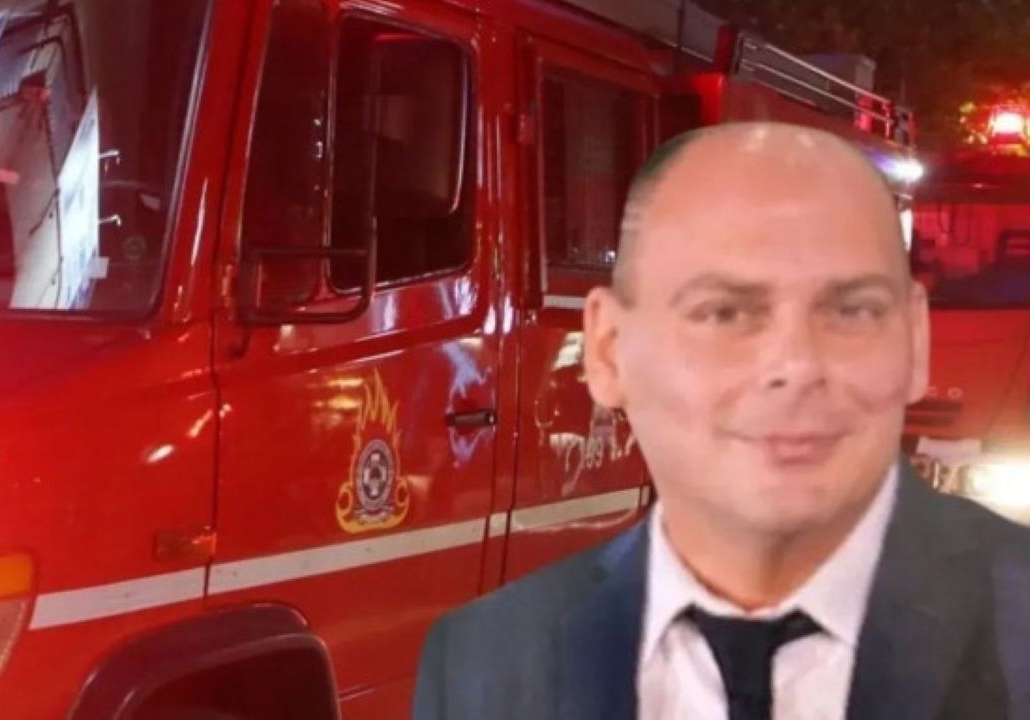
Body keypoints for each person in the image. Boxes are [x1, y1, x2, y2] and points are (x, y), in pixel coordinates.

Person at [412, 122, 1030, 720]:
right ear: (608, 350)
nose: (795, 365)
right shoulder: (483, 660)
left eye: (852, 311)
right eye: (725, 313)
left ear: (916, 342)